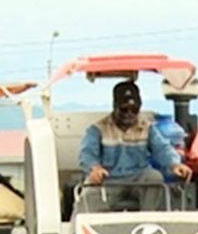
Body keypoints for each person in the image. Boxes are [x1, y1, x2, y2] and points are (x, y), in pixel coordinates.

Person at [78, 80, 192, 212]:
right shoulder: (97, 129)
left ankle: (149, 220)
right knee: (87, 197)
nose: (129, 114)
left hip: (138, 179)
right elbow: (86, 154)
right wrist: (94, 168)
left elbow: (162, 148)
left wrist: (175, 164)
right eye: (124, 109)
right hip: (110, 181)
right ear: (115, 106)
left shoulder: (147, 128)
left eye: (134, 109)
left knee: (154, 177)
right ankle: (75, 232)